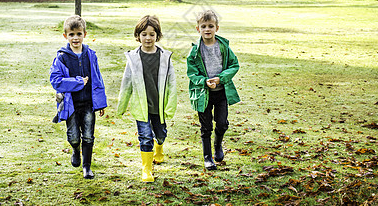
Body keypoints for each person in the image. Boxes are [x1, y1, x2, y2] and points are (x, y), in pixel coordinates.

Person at [117, 15, 177, 182]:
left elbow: (171, 82)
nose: (148, 38)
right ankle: (147, 169)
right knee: (144, 136)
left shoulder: (165, 57)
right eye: (144, 34)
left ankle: (159, 148)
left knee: (161, 134)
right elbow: (126, 82)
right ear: (138, 36)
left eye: (152, 34)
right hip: (141, 106)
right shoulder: (133, 58)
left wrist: (170, 105)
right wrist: (122, 105)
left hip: (159, 106)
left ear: (158, 35)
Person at [50, 15, 107, 179]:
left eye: (79, 34)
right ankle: (75, 149)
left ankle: (87, 167)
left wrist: (100, 103)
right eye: (71, 34)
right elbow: (56, 81)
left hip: (88, 103)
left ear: (85, 34)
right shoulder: (62, 57)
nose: (75, 38)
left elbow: (97, 78)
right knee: (74, 136)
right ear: (65, 36)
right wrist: (77, 82)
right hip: (71, 104)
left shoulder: (91, 55)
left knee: (88, 135)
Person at [186, 10, 240, 171]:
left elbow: (234, 65)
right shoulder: (195, 51)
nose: (207, 29)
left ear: (217, 28)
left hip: (222, 92)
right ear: (198, 29)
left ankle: (217, 146)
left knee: (222, 123)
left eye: (211, 26)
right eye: (203, 26)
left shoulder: (224, 47)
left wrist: (221, 78)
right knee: (206, 127)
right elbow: (191, 72)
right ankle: (207, 157)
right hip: (204, 94)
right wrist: (204, 81)